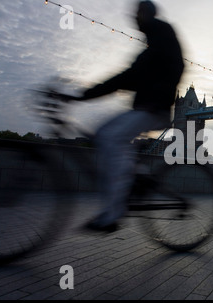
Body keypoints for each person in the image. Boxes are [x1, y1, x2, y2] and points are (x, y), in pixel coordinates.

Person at [69, 1, 184, 232]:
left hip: (155, 109)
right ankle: (139, 178)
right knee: (104, 134)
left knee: (112, 138)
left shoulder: (162, 36)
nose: (134, 17)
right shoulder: (150, 48)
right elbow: (126, 78)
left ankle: (111, 216)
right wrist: (82, 95)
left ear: (147, 14)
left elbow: (173, 67)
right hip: (145, 108)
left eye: (138, 13)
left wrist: (161, 96)